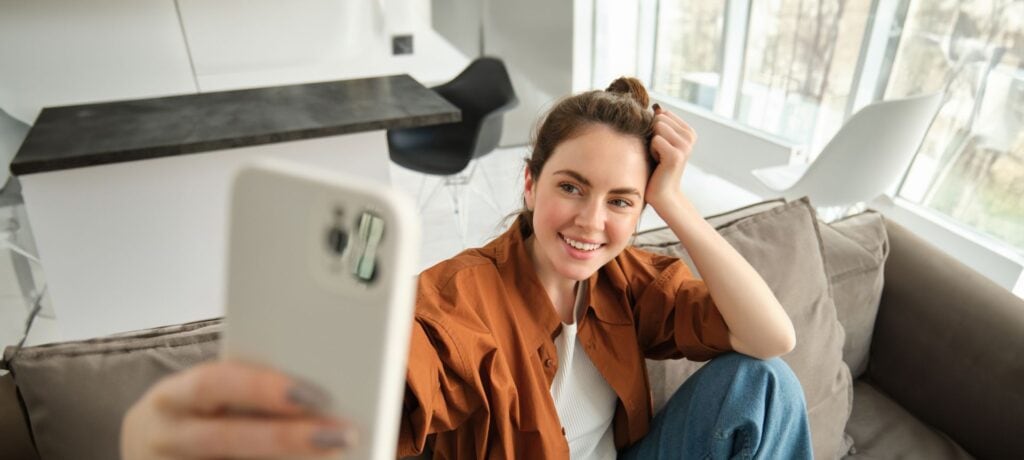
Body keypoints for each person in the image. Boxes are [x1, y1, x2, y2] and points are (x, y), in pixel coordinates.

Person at [121, 77, 812, 459]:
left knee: (764, 383)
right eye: (570, 186)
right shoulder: (460, 299)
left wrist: (674, 205)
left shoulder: (625, 274)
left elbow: (770, 337)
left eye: (620, 201)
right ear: (529, 183)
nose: (590, 223)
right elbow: (396, 381)